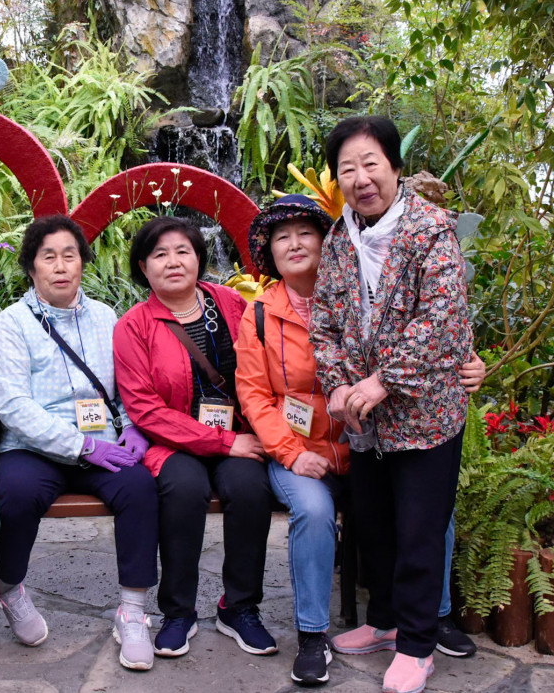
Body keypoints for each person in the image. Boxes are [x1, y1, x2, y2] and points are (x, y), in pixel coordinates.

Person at [235, 196, 486, 687]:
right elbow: (254, 396)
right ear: (270, 253)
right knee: (313, 511)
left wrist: (469, 365)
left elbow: (426, 334)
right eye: (281, 237)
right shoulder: (260, 314)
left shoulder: (361, 293)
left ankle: (433, 617)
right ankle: (312, 634)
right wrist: (291, 454)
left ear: (328, 243)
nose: (294, 244)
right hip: (302, 452)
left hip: (371, 443)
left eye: (305, 233)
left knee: (429, 510)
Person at [310, 116, 473, 693]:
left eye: (370, 163)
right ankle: (383, 622)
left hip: (426, 416)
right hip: (365, 421)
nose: (360, 178)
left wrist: (383, 381)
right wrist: (337, 385)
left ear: (396, 167)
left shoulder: (431, 231)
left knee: (420, 532)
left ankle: (417, 645)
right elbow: (324, 322)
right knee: (375, 525)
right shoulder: (340, 238)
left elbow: (441, 320)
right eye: (347, 169)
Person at [0, 215, 159, 671]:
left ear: (82, 262)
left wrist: (132, 426)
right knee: (15, 492)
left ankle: (132, 611)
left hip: (103, 440)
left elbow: (125, 386)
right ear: (31, 267)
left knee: (140, 488)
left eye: (70, 255)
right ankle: (9, 587)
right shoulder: (12, 324)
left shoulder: (105, 317)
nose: (60, 266)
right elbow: (13, 405)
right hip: (33, 447)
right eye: (49, 257)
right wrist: (81, 446)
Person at [114, 216, 278, 660]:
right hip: (174, 442)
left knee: (250, 488)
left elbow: (264, 368)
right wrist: (223, 443)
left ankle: (239, 607)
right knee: (183, 490)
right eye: (159, 254)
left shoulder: (231, 304)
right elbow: (145, 409)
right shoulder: (133, 326)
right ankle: (178, 611)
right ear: (143, 267)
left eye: (182, 251)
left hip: (237, 433)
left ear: (199, 258)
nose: (173, 262)